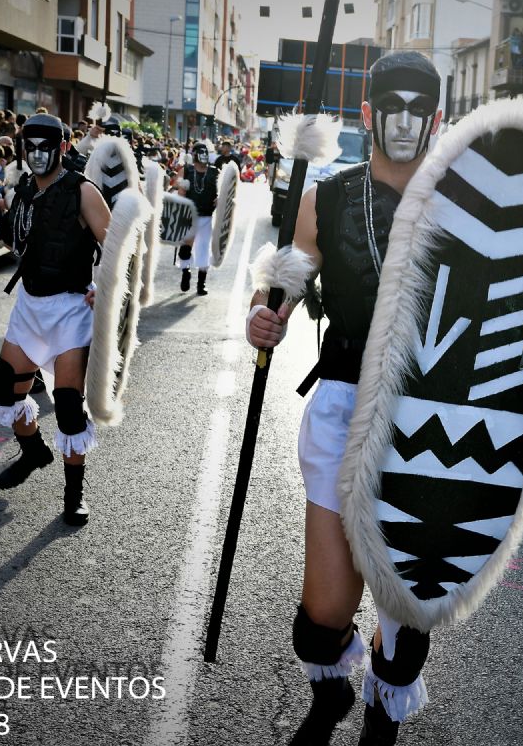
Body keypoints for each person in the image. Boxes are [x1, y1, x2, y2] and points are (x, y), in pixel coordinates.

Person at [246, 51, 452, 745]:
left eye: (416, 109)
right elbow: (284, 280)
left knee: (404, 612)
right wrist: (263, 314)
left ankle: (380, 721)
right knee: (324, 612)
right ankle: (330, 693)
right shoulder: (325, 198)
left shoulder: (467, 207)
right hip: (342, 403)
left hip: (432, 421)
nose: (401, 122)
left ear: (437, 119)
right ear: (365, 115)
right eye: (387, 107)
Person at [0, 113, 111, 526]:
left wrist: (107, 284)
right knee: (4, 391)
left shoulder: (83, 191)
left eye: (48, 146)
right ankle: (33, 451)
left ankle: (73, 495)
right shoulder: (24, 187)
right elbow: (18, 237)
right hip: (29, 304)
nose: (39, 154)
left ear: (63, 147)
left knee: (66, 405)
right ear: (23, 149)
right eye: (31, 147)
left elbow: (117, 245)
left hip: (70, 310)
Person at [175, 140, 219, 295]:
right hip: (189, 214)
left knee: (203, 248)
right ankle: (185, 273)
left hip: (207, 215)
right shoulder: (186, 171)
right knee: (186, 245)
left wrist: (220, 198)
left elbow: (224, 192)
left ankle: (201, 283)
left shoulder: (215, 172)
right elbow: (180, 192)